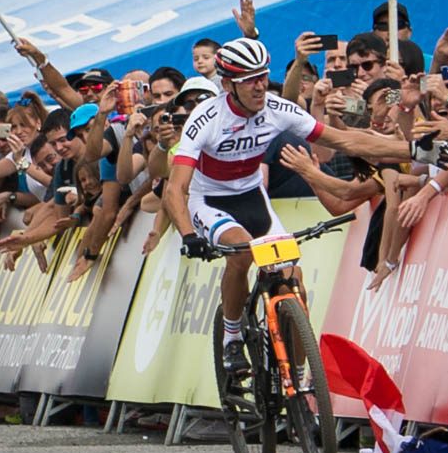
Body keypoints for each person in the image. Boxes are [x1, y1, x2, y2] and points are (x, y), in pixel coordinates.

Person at [163, 37, 405, 389]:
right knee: (243, 251)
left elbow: (344, 141)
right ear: (229, 84)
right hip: (209, 200)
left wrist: (410, 148)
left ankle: (296, 377)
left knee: (294, 279)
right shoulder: (207, 117)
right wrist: (188, 235)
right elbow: (175, 189)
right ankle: (232, 337)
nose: (260, 85)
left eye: (263, 75)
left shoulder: (277, 108)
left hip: (252, 197)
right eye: (250, 79)